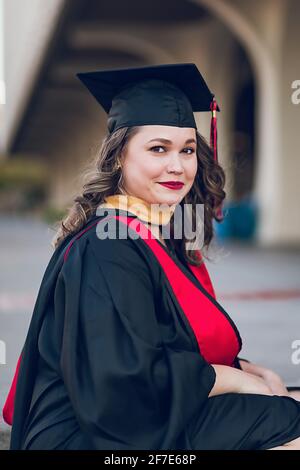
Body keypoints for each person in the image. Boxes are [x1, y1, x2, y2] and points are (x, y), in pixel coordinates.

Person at [3, 63, 300, 450]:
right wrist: (238, 380)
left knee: (287, 399)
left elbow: (165, 341)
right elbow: (126, 382)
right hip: (90, 434)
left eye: (188, 150)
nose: (177, 166)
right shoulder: (108, 245)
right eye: (158, 149)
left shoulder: (155, 233)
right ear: (118, 158)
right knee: (286, 420)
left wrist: (247, 369)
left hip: (143, 416)